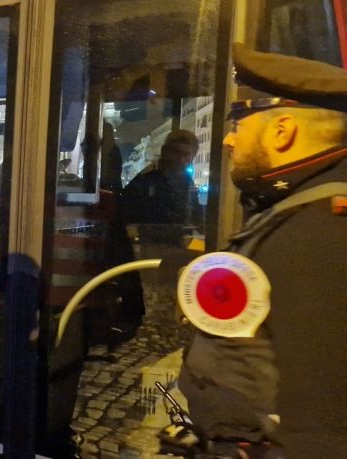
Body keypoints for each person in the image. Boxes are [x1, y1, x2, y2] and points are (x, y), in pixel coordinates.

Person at [178, 43, 347, 458]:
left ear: (282, 130)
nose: (229, 139)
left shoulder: (323, 230)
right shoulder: (300, 209)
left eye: (239, 121)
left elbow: (320, 430)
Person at [122, 129, 199, 229]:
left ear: (192, 158)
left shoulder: (187, 182)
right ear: (164, 151)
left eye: (186, 155)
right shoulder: (146, 180)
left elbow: (197, 216)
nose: (181, 160)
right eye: (176, 153)